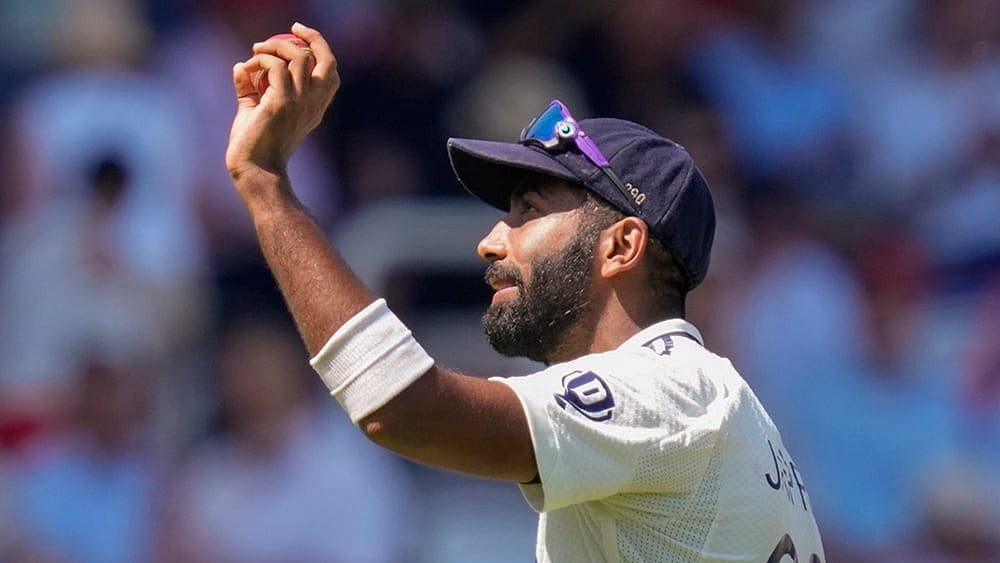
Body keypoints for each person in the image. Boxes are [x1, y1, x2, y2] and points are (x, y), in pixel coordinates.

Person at [225, 23, 826, 562]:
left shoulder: (670, 389)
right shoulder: (707, 400)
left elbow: (403, 408)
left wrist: (266, 183)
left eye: (530, 212)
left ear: (621, 247)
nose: (490, 241)